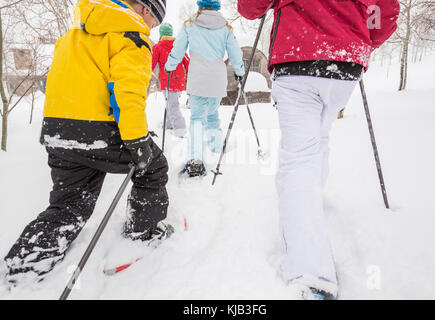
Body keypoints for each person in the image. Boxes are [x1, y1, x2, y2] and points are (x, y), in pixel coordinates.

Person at [238, 0, 400, 299]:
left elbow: (249, 8)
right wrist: (358, 37)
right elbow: (386, 14)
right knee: (318, 140)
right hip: (345, 61)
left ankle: (311, 274)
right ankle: (311, 203)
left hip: (298, 55)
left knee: (299, 158)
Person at [4, 0, 171, 285]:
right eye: (153, 23)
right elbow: (127, 95)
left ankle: (25, 264)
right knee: (153, 166)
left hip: (59, 130)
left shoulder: (73, 35)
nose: (151, 30)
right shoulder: (132, 36)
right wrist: (138, 141)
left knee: (70, 203)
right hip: (98, 132)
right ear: (145, 10)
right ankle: (143, 232)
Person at [165, 0, 245, 177]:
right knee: (212, 114)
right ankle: (216, 147)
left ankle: (196, 159)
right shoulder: (226, 27)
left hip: (198, 78)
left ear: (200, 5)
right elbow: (235, 53)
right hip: (216, 78)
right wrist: (240, 71)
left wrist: (170, 65)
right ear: (217, 6)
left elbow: (178, 49)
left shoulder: (190, 23)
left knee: (197, 119)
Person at [152, 23, 189, 138]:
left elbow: (151, 64)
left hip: (167, 82)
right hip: (179, 82)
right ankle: (168, 125)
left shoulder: (158, 47)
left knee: (172, 105)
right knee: (171, 103)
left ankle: (180, 130)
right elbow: (187, 62)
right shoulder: (178, 46)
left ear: (161, 34)